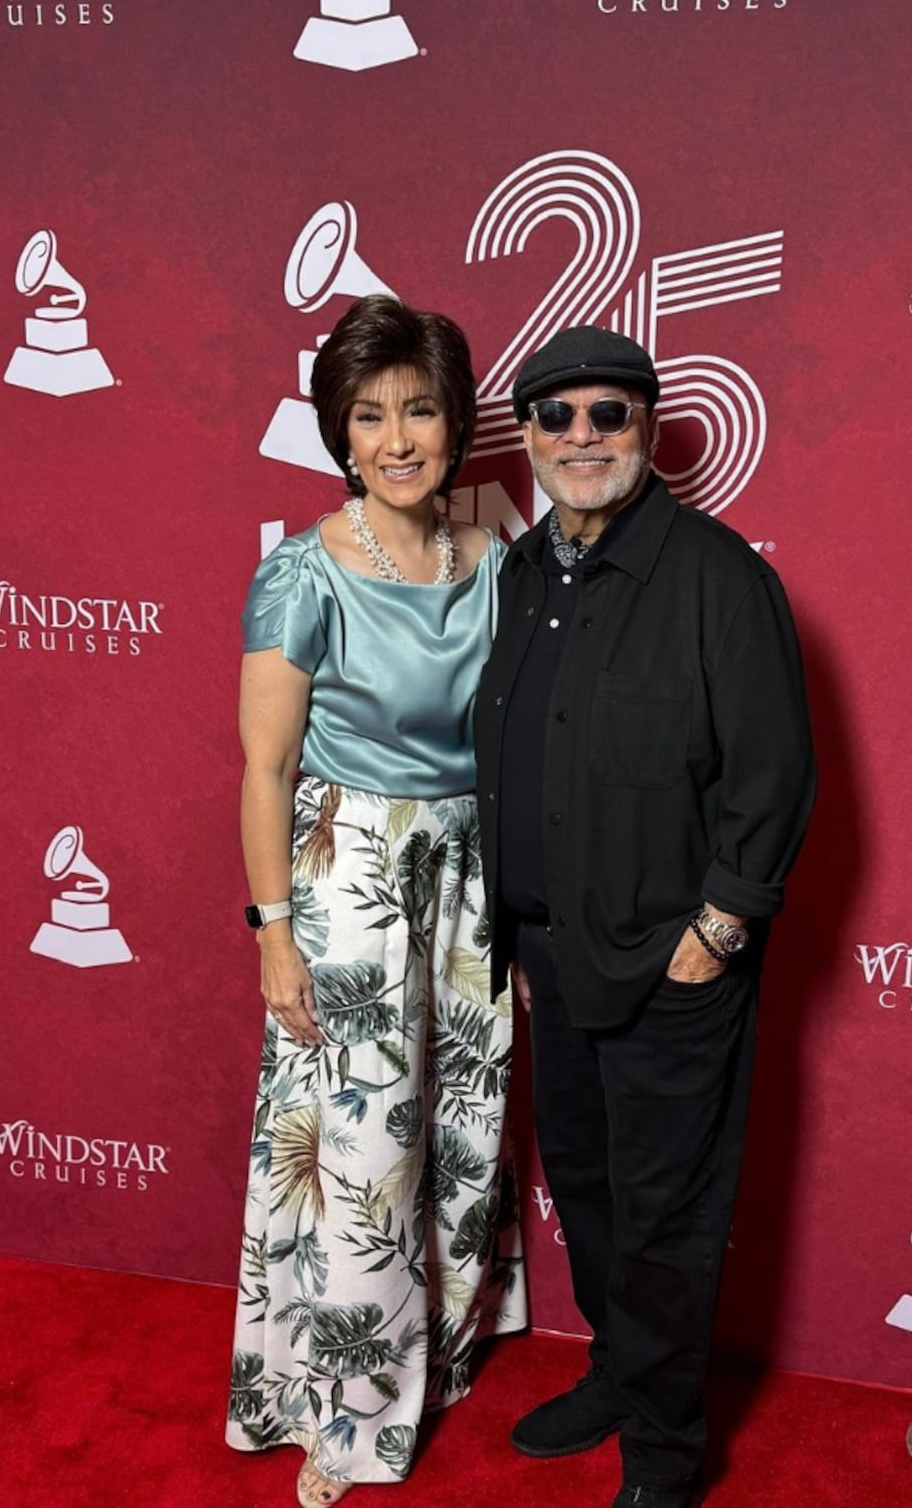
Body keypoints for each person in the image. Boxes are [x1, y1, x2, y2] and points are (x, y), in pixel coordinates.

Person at [474, 327, 815, 1508]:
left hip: (674, 968)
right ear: (525, 435)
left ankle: (665, 1456)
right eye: (556, 417)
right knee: (594, 1191)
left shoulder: (722, 579)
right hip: (551, 961)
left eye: (607, 415)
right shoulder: (520, 578)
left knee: (669, 1221)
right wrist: (517, 935)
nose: (582, 438)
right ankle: (620, 1374)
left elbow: (771, 778)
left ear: (649, 429)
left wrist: (713, 937)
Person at [227, 295, 526, 1507]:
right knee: (359, 1144)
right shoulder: (302, 573)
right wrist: (272, 935)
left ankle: (437, 1348)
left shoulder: (496, 563)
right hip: (352, 874)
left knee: (464, 1117)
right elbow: (263, 768)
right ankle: (339, 1409)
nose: (398, 437)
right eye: (370, 415)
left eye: (420, 409)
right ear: (340, 435)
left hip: (470, 873)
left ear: (456, 424)